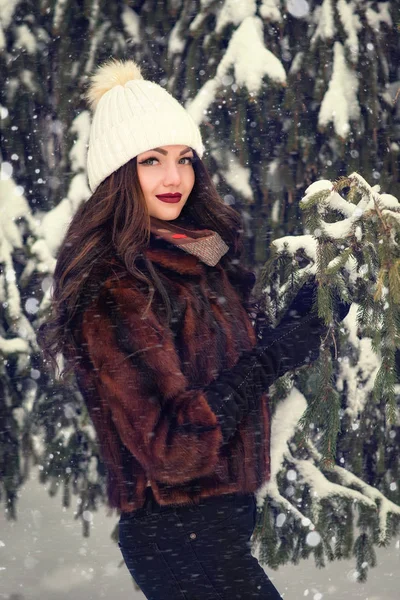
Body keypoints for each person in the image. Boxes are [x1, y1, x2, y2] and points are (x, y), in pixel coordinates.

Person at [38, 59, 349, 600]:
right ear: (117, 175)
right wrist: (270, 358)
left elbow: (219, 372)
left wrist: (296, 323)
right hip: (178, 540)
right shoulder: (115, 285)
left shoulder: (198, 251)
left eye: (184, 159)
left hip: (217, 533)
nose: (173, 177)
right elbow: (173, 447)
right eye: (151, 160)